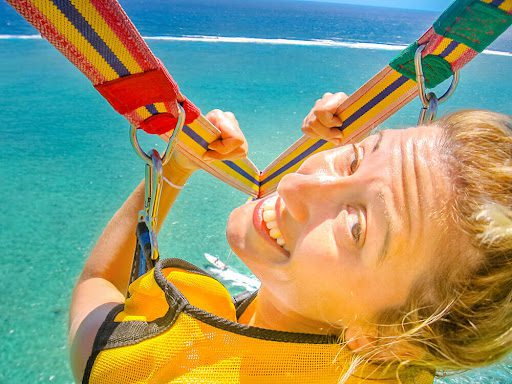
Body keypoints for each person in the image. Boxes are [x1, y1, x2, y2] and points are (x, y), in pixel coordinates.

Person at [68, 92, 512, 383]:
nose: (296, 184)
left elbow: (98, 284)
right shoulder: (400, 352)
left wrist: (179, 166)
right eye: (354, 156)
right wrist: (338, 153)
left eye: (355, 226)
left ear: (389, 337)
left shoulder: (142, 366)